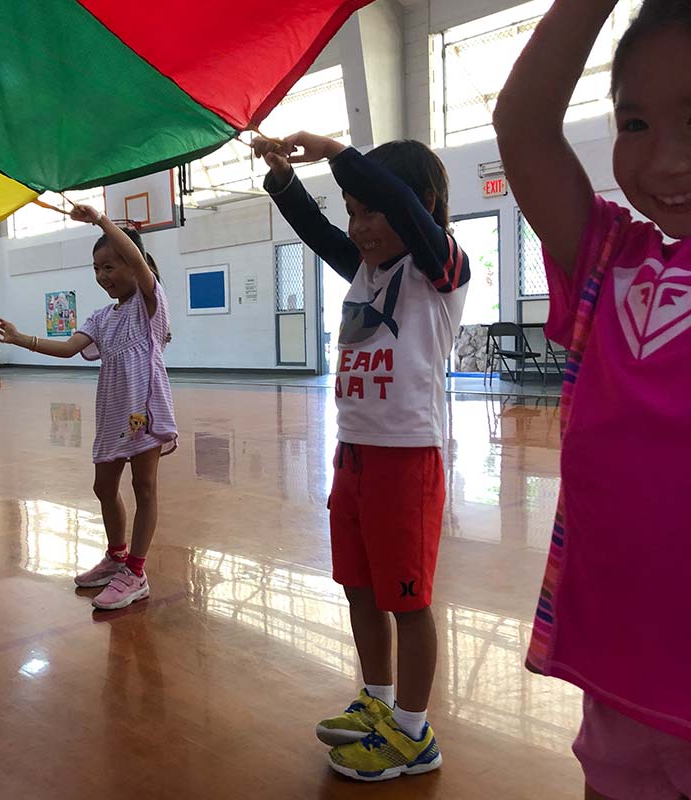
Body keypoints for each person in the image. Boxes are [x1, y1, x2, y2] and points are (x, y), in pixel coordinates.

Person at [493, 2, 691, 798]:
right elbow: (524, 124)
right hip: (622, 681)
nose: (667, 158)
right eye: (635, 122)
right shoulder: (613, 259)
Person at [254, 131, 469, 781]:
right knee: (359, 587)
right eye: (353, 208)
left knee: (408, 599)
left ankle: (413, 731)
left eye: (368, 209)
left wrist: (333, 148)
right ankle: (377, 704)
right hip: (354, 457)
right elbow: (320, 233)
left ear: (422, 205)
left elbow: (397, 204)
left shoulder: (440, 269)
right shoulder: (368, 270)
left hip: (407, 462)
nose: (359, 224)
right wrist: (283, 178)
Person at [0, 207, 177, 610]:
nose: (102, 276)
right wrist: (21, 339)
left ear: (135, 265)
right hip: (113, 413)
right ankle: (116, 557)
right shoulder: (100, 317)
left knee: (144, 488)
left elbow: (132, 256)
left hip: (144, 410)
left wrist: (102, 222)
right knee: (103, 487)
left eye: (110, 266)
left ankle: (136, 571)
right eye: (96, 268)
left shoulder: (149, 303)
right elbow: (67, 348)